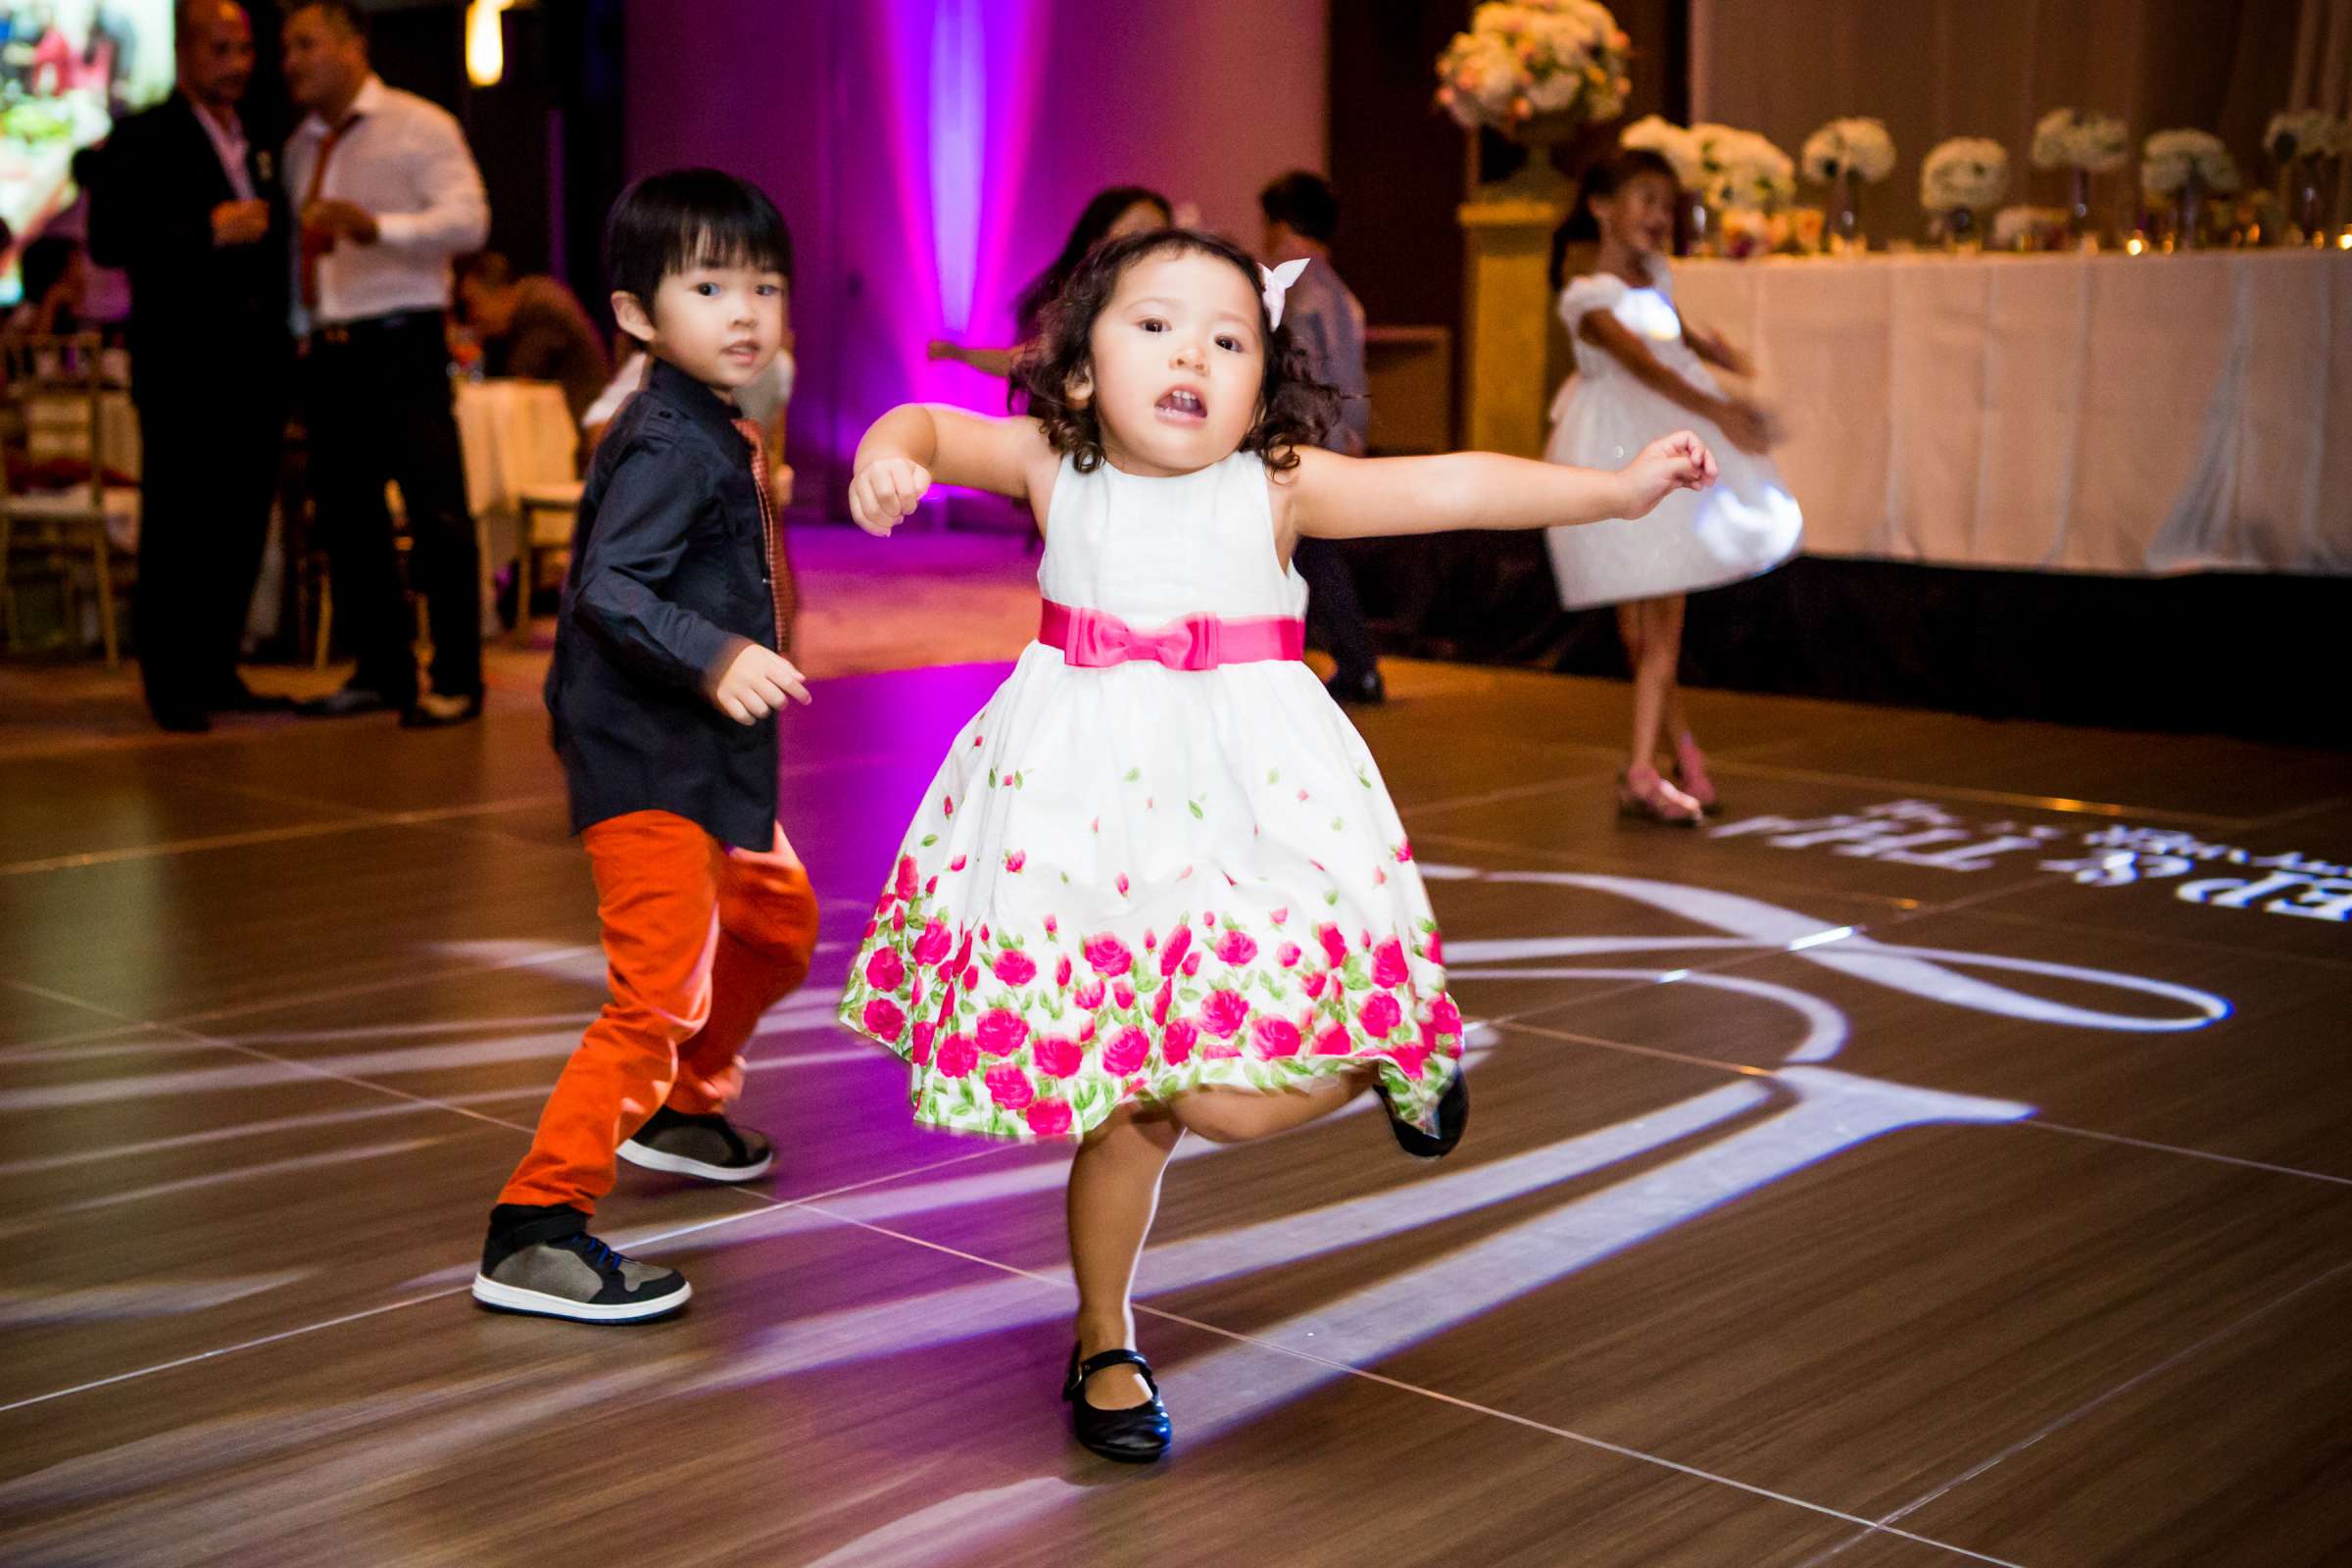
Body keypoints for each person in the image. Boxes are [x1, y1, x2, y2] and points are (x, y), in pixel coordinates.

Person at [836, 228, 1716, 1460]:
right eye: (1154, 325)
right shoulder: (1052, 458)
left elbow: (1456, 485)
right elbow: (927, 426)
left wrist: (1614, 493)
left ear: (1261, 385)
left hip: (1251, 808)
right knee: (1129, 1107)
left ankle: (1393, 1055)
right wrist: (887, 456)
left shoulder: (1278, 480)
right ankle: (1104, 1335)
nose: (1192, 349)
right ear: (1080, 370)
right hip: (1083, 824)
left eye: (1229, 335)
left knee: (1231, 1108)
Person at [470, 169, 820, 1325]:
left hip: (702, 744)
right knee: (656, 994)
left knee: (775, 921)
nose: (745, 311)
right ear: (634, 315)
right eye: (709, 284)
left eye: (763, 285)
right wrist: (716, 653)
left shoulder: (713, 423)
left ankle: (678, 1103)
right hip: (649, 754)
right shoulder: (670, 439)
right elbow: (608, 588)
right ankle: (537, 1223)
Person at [1543, 148, 1802, 823]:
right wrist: (1717, 408)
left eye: (1667, 204)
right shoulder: (1587, 297)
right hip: (1624, 448)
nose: (1660, 217)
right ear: (1601, 206)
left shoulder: (1654, 278)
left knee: (1662, 625)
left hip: (1668, 440)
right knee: (1643, 632)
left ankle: (1649, 767)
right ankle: (1677, 756)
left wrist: (1724, 358)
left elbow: (1675, 342)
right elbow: (1641, 365)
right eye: (1645, 200)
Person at [281, 0, 491, 728]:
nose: (291, 62)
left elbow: (470, 221)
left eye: (305, 44)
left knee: (437, 512)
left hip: (403, 341)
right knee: (347, 519)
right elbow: (297, 260)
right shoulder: (303, 145)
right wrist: (301, 327)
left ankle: (459, 676)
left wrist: (379, 227)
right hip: (332, 351)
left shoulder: (419, 124)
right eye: (287, 49)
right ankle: (382, 669)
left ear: (349, 44)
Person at [85, 0, 293, 733]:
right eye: (219, 49)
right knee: (178, 522)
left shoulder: (262, 135)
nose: (236, 64)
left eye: (243, 49)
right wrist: (206, 228)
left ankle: (217, 667)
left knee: (240, 521)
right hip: (181, 364)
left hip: (256, 365)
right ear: (182, 53)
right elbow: (109, 237)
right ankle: (170, 681)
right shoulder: (146, 137)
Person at [1259, 169, 1384, 707]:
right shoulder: (1337, 287)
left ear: (1281, 224)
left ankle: (1357, 665)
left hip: (1308, 436)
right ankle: (1343, 663)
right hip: (1337, 434)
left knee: (1312, 553)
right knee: (1312, 552)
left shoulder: (1296, 285)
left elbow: (1304, 372)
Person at [926, 185, 1171, 379]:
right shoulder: (1077, 306)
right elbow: (1026, 360)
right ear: (1096, 242)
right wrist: (961, 355)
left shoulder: (1166, 307)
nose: (1149, 247)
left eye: (1161, 237)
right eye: (1137, 234)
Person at [453, 250, 612, 424]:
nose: (472, 316)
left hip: (583, 421)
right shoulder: (530, 298)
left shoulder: (541, 308)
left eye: (474, 304)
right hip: (562, 419)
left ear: (501, 293)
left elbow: (521, 375)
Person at [8, 233, 88, 335]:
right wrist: (50, 302)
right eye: (75, 266)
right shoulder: (26, 314)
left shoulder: (70, 313)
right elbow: (32, 347)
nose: (81, 276)